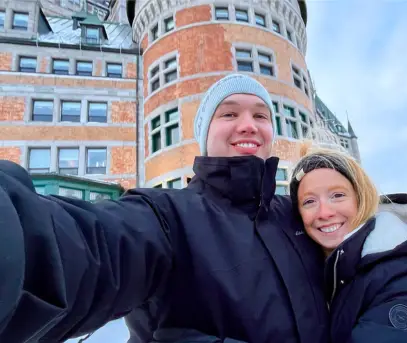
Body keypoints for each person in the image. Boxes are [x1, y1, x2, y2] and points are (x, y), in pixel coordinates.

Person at [0, 74, 329, 343]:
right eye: (229, 114)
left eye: (260, 115)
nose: (248, 125)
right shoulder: (167, 216)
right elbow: (88, 248)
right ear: (204, 134)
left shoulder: (297, 215)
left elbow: (368, 274)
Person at [288, 149, 407, 342]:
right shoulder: (320, 269)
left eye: (337, 195)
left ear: (361, 199)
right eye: (309, 201)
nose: (324, 212)